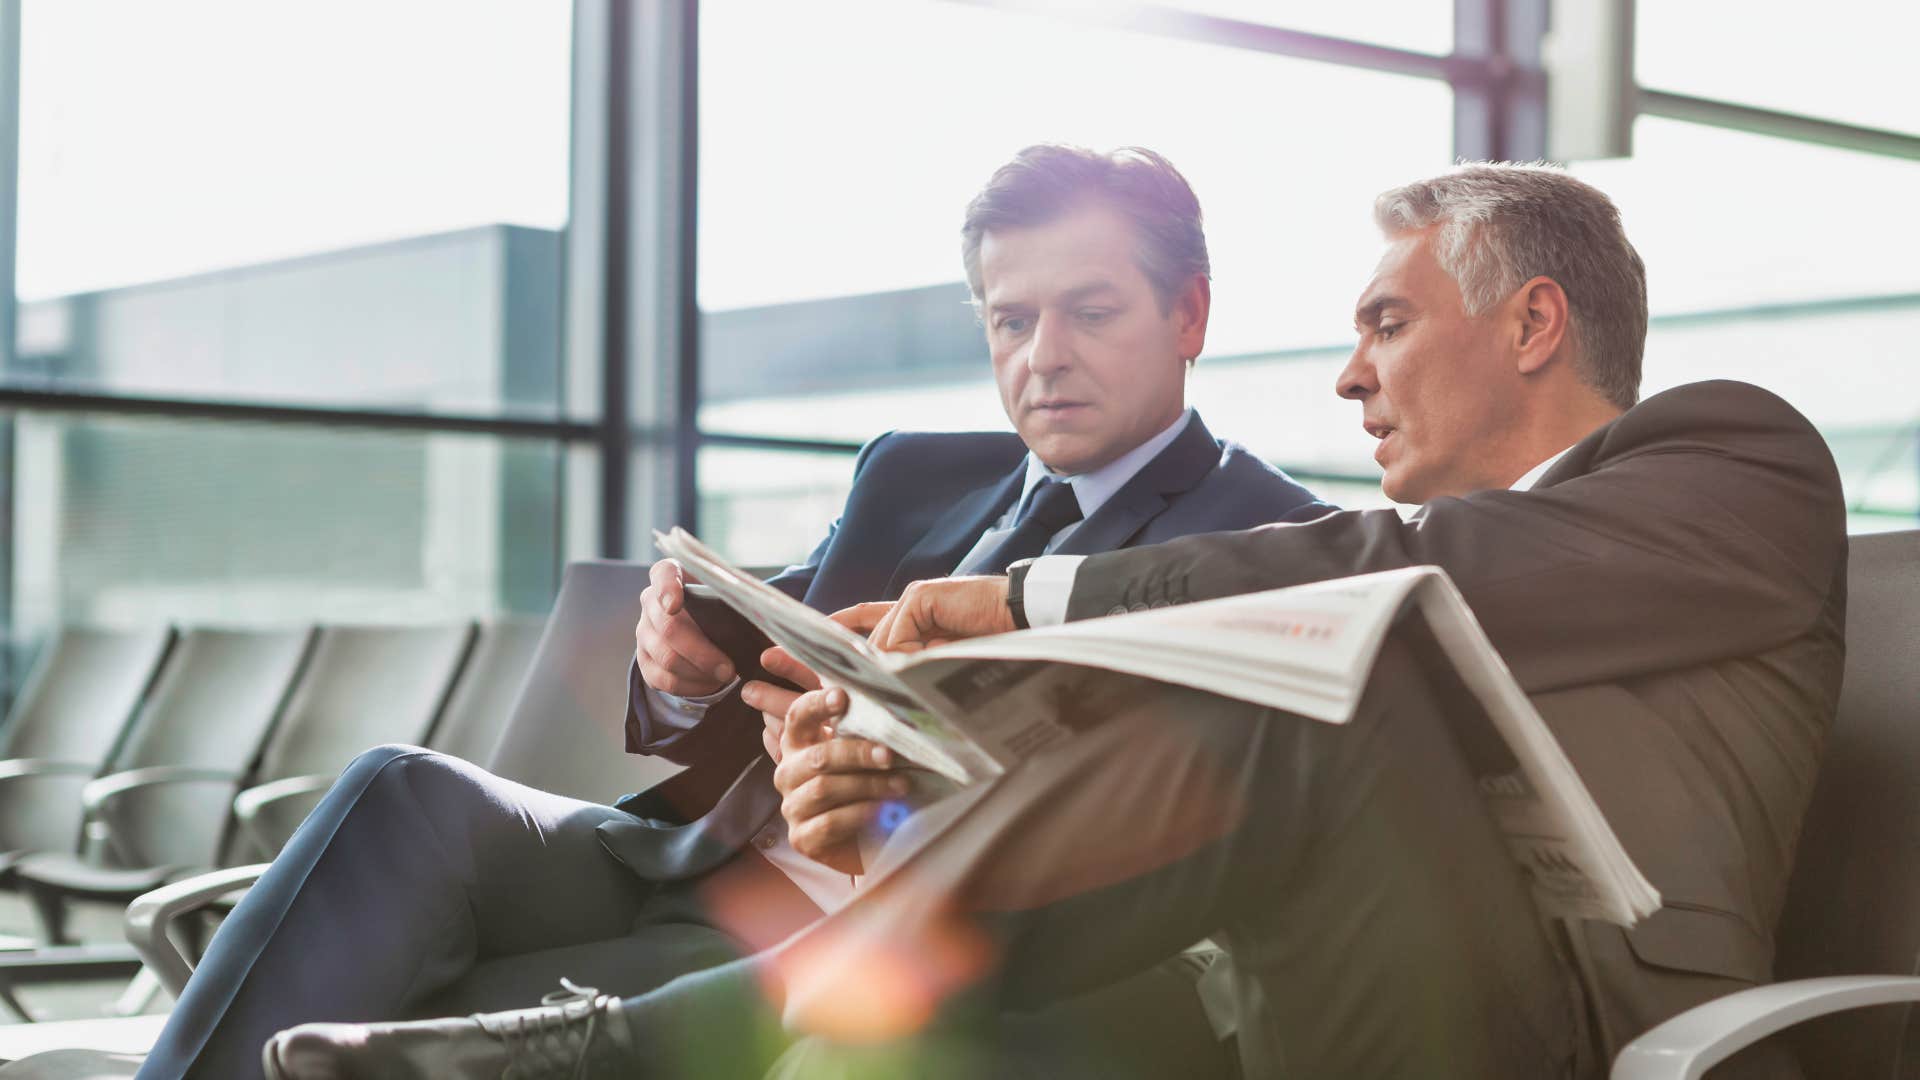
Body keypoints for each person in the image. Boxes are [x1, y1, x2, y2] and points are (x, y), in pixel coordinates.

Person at [260, 162, 1846, 1080]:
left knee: (1343, 657)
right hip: (1339, 958)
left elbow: (1416, 568)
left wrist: (1020, 596)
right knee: (1319, 672)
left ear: (1535, 321)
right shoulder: (1343, 551)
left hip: (1601, 1020)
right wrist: (866, 784)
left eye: (1386, 323)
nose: (1349, 375)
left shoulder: (1736, 461)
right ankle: (657, 1042)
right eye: (1009, 319)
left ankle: (643, 1049)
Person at [127, 144, 1328, 1080]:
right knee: (405, 790)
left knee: (373, 991)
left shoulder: (1273, 541)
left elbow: (1171, 841)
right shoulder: (913, 471)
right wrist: (682, 672)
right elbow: (762, 655)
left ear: (1189, 316)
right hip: (701, 854)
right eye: (1011, 321)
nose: (1042, 356)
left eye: (1090, 313)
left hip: (869, 935)